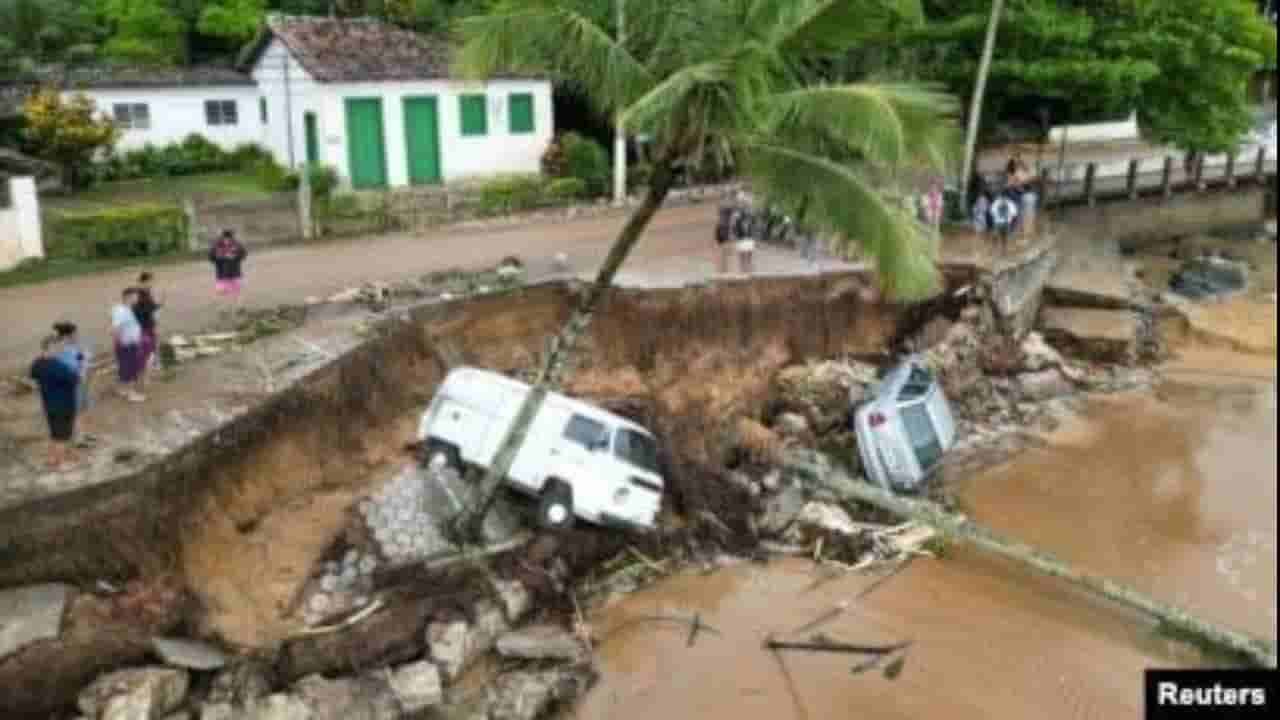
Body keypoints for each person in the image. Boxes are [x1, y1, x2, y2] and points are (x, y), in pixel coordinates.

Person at [30, 335, 81, 471]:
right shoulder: (59, 367)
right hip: (63, 406)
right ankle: (61, 463)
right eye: (57, 347)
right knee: (62, 436)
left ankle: (52, 459)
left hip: (48, 405)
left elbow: (33, 375)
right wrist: (77, 368)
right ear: (51, 348)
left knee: (54, 433)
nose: (60, 350)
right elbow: (75, 379)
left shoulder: (37, 363)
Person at [53, 322, 94, 446]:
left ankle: (83, 434)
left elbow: (82, 357)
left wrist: (84, 358)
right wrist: (83, 361)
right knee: (75, 411)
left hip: (81, 381)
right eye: (75, 334)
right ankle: (77, 438)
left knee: (83, 409)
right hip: (73, 384)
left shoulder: (72, 346)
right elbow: (71, 367)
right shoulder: (61, 349)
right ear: (67, 336)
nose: (77, 336)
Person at [111, 288, 146, 403]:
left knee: (124, 368)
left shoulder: (123, 309)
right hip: (126, 345)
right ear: (128, 297)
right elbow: (116, 329)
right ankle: (131, 394)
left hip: (126, 344)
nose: (137, 299)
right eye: (135, 297)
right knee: (131, 369)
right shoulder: (122, 311)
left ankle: (121, 389)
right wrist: (119, 343)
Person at [131, 272, 163, 386]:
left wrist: (157, 306)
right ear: (145, 281)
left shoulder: (145, 292)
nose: (152, 283)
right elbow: (143, 309)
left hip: (147, 324)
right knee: (147, 349)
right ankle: (143, 376)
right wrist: (158, 305)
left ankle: (151, 367)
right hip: (143, 325)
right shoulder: (140, 294)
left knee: (152, 346)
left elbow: (150, 307)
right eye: (151, 281)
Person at [210, 229, 248, 313]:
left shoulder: (237, 245)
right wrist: (220, 257)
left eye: (229, 238)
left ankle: (240, 306)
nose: (227, 240)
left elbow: (243, 254)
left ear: (232, 238)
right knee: (222, 291)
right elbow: (211, 257)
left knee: (237, 289)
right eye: (225, 238)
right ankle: (223, 308)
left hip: (235, 271)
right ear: (222, 238)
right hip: (222, 272)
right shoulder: (217, 246)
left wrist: (235, 257)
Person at [715, 204, 736, 274]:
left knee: (723, 254)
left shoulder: (721, 219)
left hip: (721, 233)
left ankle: (722, 271)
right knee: (725, 254)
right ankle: (724, 271)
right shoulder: (726, 220)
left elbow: (718, 233)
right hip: (724, 234)